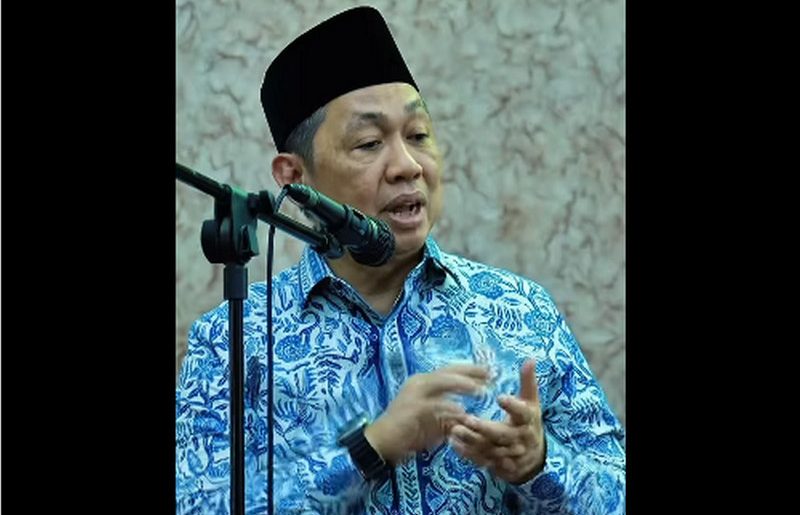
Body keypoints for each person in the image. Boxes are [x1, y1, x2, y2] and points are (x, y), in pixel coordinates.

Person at [176, 6, 625, 514]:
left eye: (418, 135)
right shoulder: (235, 340)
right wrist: (369, 450)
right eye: (369, 143)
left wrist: (539, 464)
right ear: (294, 178)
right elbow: (196, 505)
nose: (408, 166)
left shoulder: (520, 310)